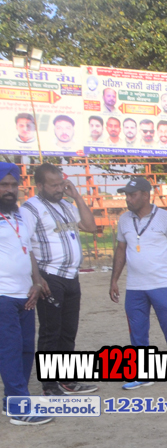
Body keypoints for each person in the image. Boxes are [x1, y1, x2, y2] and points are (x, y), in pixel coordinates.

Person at [19, 165, 99, 396]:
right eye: (53, 185)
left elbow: (91, 227)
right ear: (40, 185)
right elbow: (25, 245)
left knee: (68, 331)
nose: (58, 189)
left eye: (61, 184)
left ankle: (67, 380)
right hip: (49, 277)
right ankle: (49, 385)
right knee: (50, 331)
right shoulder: (30, 209)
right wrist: (36, 278)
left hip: (71, 277)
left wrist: (77, 197)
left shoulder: (66, 205)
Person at [108, 177, 167, 389]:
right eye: (126, 195)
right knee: (137, 332)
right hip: (134, 287)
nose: (128, 199)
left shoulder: (165, 218)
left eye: (132, 195)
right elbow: (120, 250)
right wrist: (114, 280)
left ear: (145, 195)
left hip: (162, 285)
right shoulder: (124, 220)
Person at [0, 162, 52, 425]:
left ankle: (11, 400)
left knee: (25, 349)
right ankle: (20, 407)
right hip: (2, 296)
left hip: (26, 294)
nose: (9, 190)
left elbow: (28, 249)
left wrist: (37, 280)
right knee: (9, 350)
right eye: (3, 185)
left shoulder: (19, 215)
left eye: (13, 185)